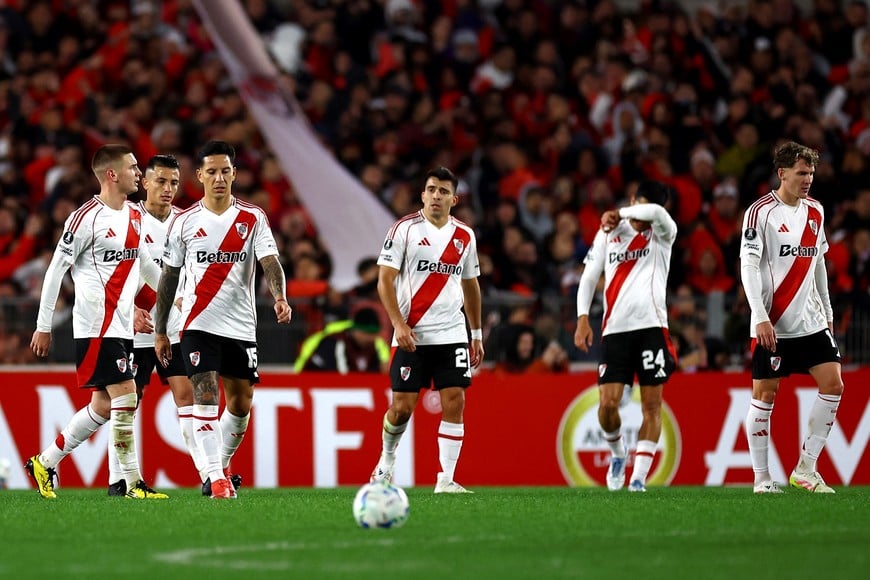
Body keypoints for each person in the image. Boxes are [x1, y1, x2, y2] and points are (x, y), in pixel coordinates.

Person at [26, 144, 168, 500]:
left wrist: (175, 294)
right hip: (95, 325)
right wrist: (43, 325)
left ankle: (45, 461)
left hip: (121, 327)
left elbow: (148, 265)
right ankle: (132, 483)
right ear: (111, 174)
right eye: (133, 167)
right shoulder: (84, 218)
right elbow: (56, 270)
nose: (139, 174)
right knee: (127, 396)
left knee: (105, 406)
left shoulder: (136, 216)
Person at [154, 140, 292, 500]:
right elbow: (169, 277)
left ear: (235, 174)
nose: (218, 178)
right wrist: (161, 330)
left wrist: (279, 296)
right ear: (199, 176)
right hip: (197, 323)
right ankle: (215, 478)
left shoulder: (252, 217)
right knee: (205, 395)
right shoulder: (183, 222)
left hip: (240, 325)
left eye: (225, 171)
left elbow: (270, 262)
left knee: (241, 403)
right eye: (211, 171)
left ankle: (222, 463)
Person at [369, 166, 484, 494]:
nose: (436, 196)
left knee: (455, 400)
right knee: (402, 408)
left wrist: (475, 334)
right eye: (431, 189)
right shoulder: (404, 229)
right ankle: (386, 461)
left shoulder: (465, 236)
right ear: (423, 194)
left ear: (454, 198)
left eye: (443, 191)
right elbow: (385, 280)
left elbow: (471, 285)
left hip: (451, 333)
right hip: (412, 334)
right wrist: (398, 324)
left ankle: (445, 479)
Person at [739, 141, 844, 494]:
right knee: (765, 396)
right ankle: (762, 479)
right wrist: (759, 315)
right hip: (774, 322)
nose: (808, 179)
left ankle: (806, 468)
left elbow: (818, 264)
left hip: (811, 321)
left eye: (811, 173)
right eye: (802, 172)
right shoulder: (760, 213)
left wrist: (827, 311)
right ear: (782, 173)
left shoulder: (816, 211)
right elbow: (749, 266)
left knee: (834, 384)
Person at [105, 154, 207, 496]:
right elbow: (112, 272)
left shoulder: (186, 222)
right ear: (144, 182)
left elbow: (192, 273)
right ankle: (118, 478)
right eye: (160, 181)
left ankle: (209, 475)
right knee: (126, 403)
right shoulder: (127, 218)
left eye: (174, 183)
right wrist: (131, 307)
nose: (167, 189)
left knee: (186, 394)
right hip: (135, 329)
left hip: (174, 328)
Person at [574, 180, 678, 493]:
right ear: (632, 198)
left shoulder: (662, 231)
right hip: (614, 330)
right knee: (607, 405)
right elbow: (590, 276)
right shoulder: (609, 233)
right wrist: (582, 318)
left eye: (641, 213)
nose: (637, 219)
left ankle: (638, 479)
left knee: (651, 406)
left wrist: (619, 212)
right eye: (634, 209)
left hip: (651, 328)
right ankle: (618, 454)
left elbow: (654, 211)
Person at [293, 307, 390, 373]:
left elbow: (381, 369)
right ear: (356, 330)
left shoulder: (375, 345)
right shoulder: (335, 342)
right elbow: (343, 375)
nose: (371, 338)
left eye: (374, 334)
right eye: (367, 334)